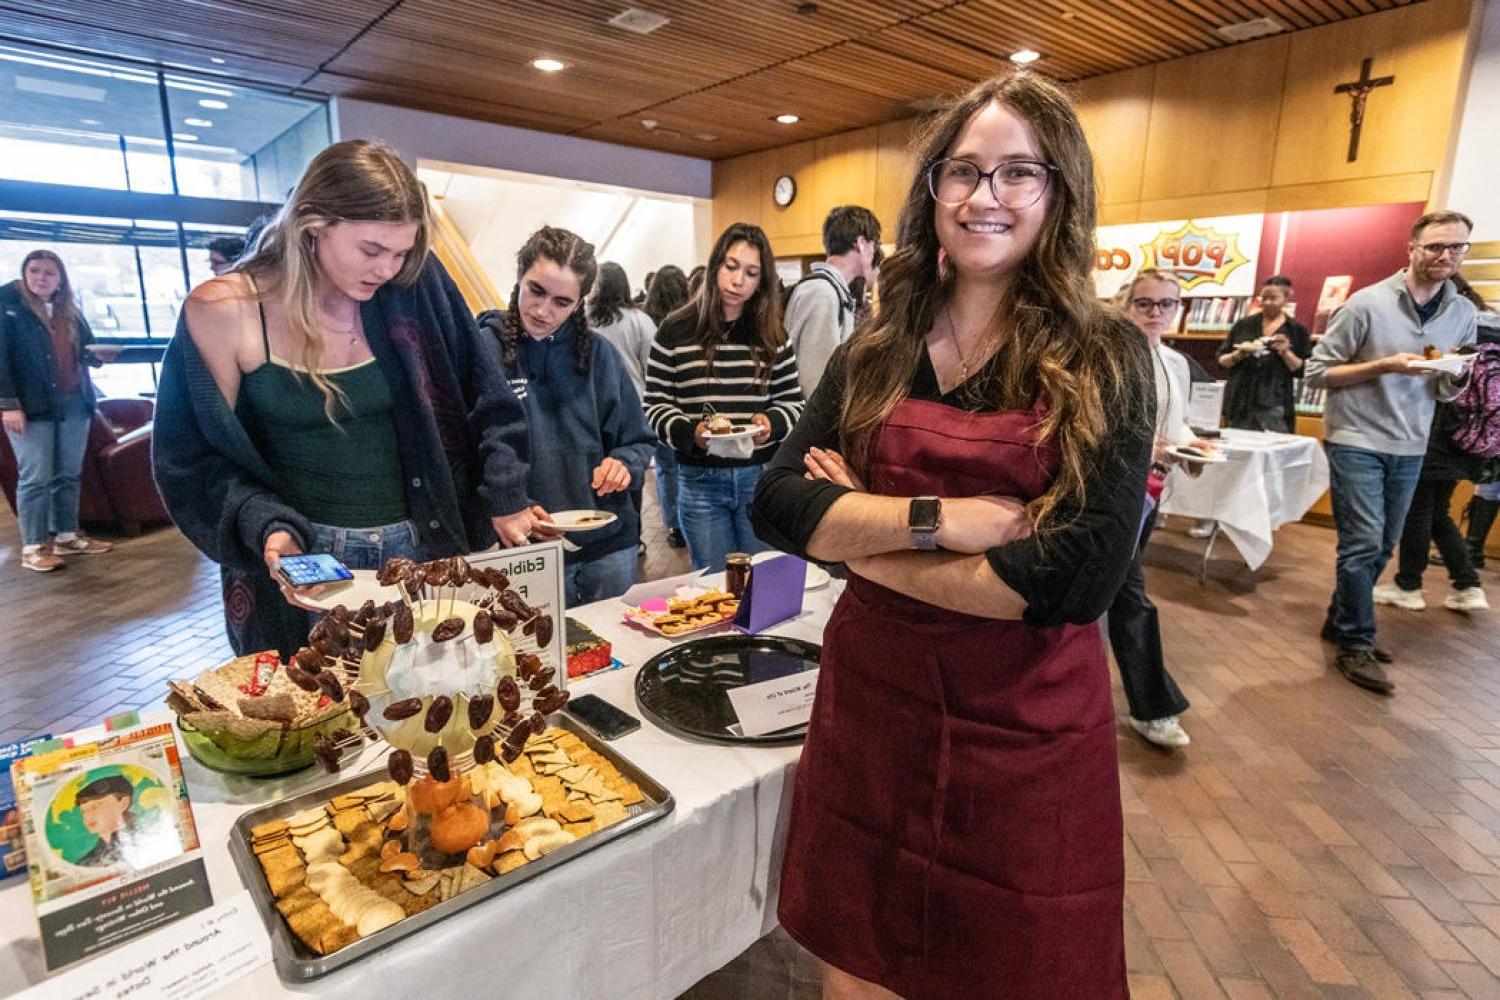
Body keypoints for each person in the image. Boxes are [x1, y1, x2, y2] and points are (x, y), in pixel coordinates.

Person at [751, 72, 1155, 998]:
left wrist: (860, 538)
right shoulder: (875, 349)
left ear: (1060, 194)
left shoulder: (1107, 358)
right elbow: (776, 506)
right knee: (857, 956)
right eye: (963, 171)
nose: (984, 197)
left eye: (1019, 172)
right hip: (873, 714)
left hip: (1026, 735)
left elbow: (1074, 577)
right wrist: (944, 524)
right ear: (930, 191)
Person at [154, 140, 538, 659]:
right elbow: (194, 461)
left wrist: (505, 490)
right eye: (371, 250)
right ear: (313, 225)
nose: (387, 269)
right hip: (307, 559)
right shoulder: (224, 309)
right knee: (320, 719)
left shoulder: (412, 282)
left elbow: (486, 393)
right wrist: (264, 525)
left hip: (425, 543)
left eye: (401, 252)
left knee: (435, 706)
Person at [1304, 210, 1479, 694]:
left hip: (1412, 441)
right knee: (1362, 543)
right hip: (1356, 437)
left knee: (1384, 545)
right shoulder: (1365, 305)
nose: (1445, 256)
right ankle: (1356, 643)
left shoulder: (1462, 312)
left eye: (1456, 248)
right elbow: (1317, 373)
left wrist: (1453, 376)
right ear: (1412, 248)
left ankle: (1340, 618)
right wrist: (1383, 365)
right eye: (1435, 247)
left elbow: (1446, 389)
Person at [489, 230, 654, 606]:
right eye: (535, 291)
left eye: (562, 302)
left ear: (580, 303)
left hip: (609, 543)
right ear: (519, 277)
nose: (544, 311)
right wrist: (509, 500)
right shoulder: (488, 349)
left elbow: (639, 440)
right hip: (526, 549)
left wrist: (622, 463)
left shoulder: (600, 354)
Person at [645, 223, 802, 571]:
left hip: (758, 476)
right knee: (714, 586)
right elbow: (654, 405)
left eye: (751, 273)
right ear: (716, 265)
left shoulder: (773, 335)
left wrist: (772, 423)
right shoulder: (674, 331)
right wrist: (691, 433)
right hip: (699, 480)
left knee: (761, 578)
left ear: (761, 280)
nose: (737, 281)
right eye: (731, 267)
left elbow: (793, 403)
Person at [1109, 268, 1210, 749]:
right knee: (1131, 597)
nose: (1155, 313)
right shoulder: (1107, 358)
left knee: (1114, 595)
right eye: (1145, 303)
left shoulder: (1176, 363)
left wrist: (1193, 451)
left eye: (1165, 304)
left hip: (1150, 493)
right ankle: (1153, 706)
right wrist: (1151, 448)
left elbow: (1180, 423)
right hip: (1112, 491)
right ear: (1125, 304)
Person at [1380, 275, 1498, 613]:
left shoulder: (1458, 329)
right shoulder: (1490, 330)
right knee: (1435, 511)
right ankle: (1466, 584)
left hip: (1440, 433)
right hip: (1474, 439)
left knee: (1418, 509)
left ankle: (1409, 585)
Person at [0, 250, 113, 573]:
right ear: (24, 274)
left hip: (74, 403)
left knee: (68, 474)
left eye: (49, 272)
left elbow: (87, 350)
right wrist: (8, 405)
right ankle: (34, 546)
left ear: (61, 278)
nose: (40, 278)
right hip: (30, 407)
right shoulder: (9, 308)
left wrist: (99, 356)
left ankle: (66, 534)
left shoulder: (70, 311)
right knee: (35, 477)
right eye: (34, 271)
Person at [783, 205, 882, 399]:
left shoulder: (831, 291)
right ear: (861, 244)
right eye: (875, 244)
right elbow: (816, 385)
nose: (875, 253)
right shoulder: (823, 293)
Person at [1217, 275, 1312, 433]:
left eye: (1273, 298)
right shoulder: (1243, 325)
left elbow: (1303, 370)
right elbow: (1221, 361)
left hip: (1275, 405)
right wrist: (1239, 354)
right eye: (1264, 297)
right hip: (1240, 403)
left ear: (1286, 298)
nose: (1267, 303)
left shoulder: (1296, 330)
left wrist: (1285, 352)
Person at [642, 265, 693, 549]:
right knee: (682, 470)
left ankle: (673, 523)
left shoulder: (647, 319)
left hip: (655, 408)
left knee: (665, 469)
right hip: (685, 409)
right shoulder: (687, 324)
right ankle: (684, 523)